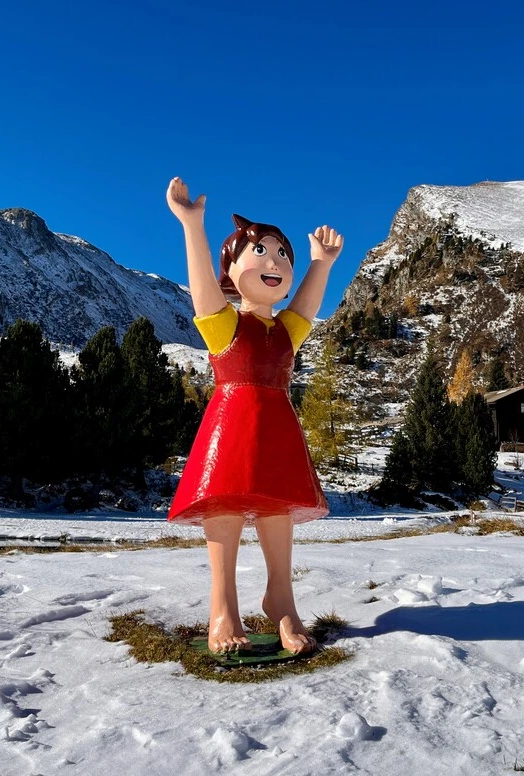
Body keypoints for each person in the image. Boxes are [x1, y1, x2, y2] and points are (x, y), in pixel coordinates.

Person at [166, 177, 343, 655]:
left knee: (276, 509)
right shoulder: (224, 323)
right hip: (230, 423)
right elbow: (202, 289)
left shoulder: (287, 330)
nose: (275, 262)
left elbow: (306, 303)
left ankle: (280, 600)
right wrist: (191, 224)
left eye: (284, 255)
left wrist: (320, 265)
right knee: (222, 506)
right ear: (231, 269)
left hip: (276, 427)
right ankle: (222, 607)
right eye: (261, 251)